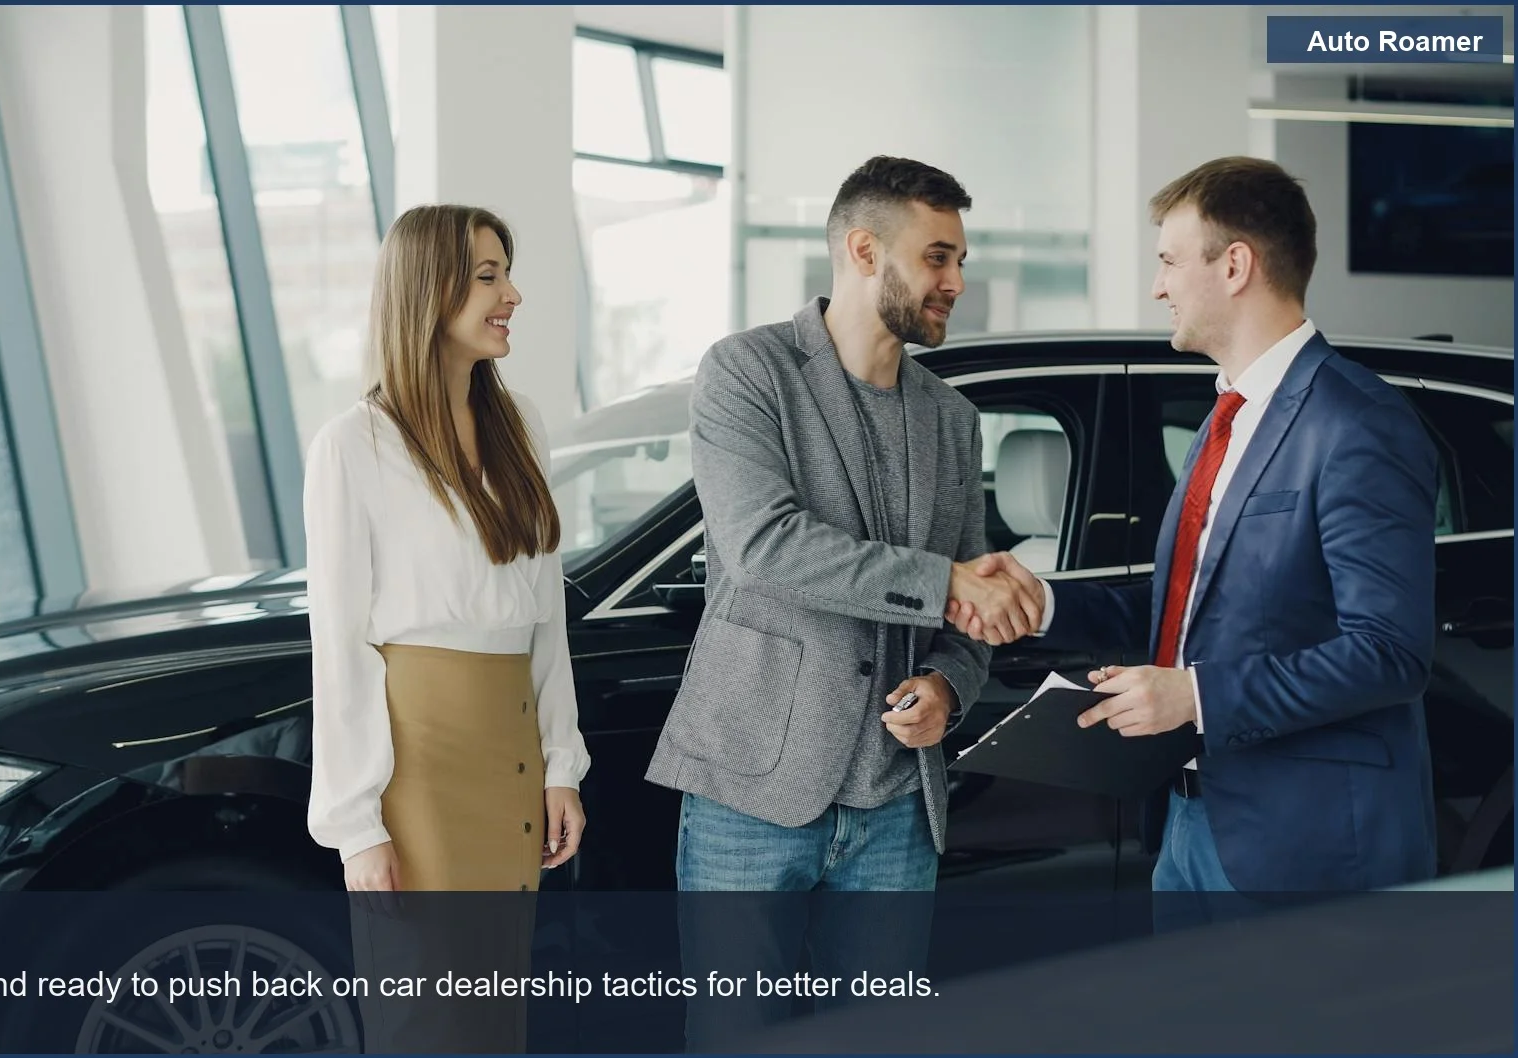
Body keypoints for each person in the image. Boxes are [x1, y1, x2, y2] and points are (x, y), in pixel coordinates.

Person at [954, 157, 1440, 913]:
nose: (1159, 286)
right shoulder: (1226, 418)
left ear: (1236, 264)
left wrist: (1196, 695)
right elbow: (1186, 603)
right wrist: (1043, 604)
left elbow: (1389, 651)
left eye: (1171, 261)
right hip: (1187, 821)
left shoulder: (1356, 422)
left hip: (1299, 846)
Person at [644, 156, 1040, 1046]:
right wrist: (944, 585)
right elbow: (764, 544)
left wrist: (948, 684)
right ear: (865, 250)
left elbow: (969, 607)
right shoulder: (749, 372)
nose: (957, 282)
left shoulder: (951, 417)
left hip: (898, 806)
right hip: (753, 789)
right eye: (938, 258)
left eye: (960, 260)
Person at [302, 203, 590, 1048]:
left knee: (498, 1021)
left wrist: (561, 764)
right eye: (489, 275)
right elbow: (341, 646)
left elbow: (546, 616)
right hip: (418, 777)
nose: (514, 295)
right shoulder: (353, 444)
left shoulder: (520, 425)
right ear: (428, 291)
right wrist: (358, 829)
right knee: (425, 1019)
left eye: (508, 272)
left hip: (511, 766)